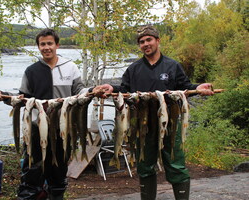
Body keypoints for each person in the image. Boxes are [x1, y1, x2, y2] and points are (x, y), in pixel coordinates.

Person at [92, 25, 214, 200]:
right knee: (144, 165)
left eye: (149, 40)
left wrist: (198, 88)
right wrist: (112, 88)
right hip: (142, 125)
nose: (145, 44)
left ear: (157, 41)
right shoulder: (133, 69)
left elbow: (186, 88)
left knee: (176, 164)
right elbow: (124, 90)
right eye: (141, 42)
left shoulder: (172, 66)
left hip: (170, 122)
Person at [0, 28, 89, 200]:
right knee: (33, 170)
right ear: (38, 47)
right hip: (36, 129)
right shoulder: (31, 71)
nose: (46, 47)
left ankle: (56, 195)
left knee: (58, 172)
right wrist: (3, 96)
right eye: (42, 44)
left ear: (57, 45)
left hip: (63, 129)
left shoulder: (71, 68)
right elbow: (23, 98)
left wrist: (94, 90)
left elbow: (80, 91)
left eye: (49, 43)